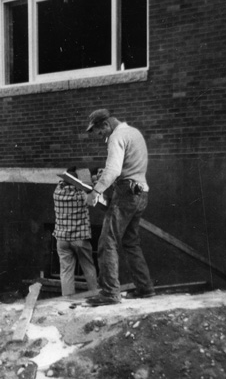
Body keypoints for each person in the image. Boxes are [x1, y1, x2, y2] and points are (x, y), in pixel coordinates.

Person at [84, 109, 154, 305]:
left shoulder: (116, 137)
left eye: (100, 132)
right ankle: (145, 288)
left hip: (125, 195)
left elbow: (114, 170)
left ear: (106, 125)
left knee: (108, 242)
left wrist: (96, 191)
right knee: (131, 242)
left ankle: (109, 293)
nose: (101, 137)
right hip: (141, 192)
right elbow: (128, 166)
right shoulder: (134, 133)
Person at [53, 167, 99, 296]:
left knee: (66, 271)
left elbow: (62, 183)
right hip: (79, 238)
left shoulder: (57, 192)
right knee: (88, 267)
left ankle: (67, 299)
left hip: (61, 239)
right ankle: (94, 294)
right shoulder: (80, 194)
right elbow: (92, 194)